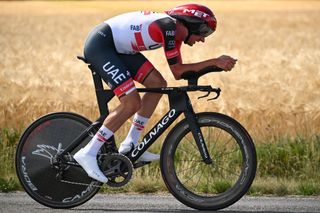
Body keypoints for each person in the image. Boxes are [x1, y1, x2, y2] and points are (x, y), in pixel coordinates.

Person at [74, 3, 237, 183]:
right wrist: (214, 61)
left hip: (118, 50)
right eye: (203, 32)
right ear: (191, 24)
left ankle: (129, 145)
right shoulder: (169, 27)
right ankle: (88, 152)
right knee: (131, 103)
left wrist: (214, 65)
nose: (203, 39)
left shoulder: (174, 32)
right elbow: (178, 71)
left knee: (157, 83)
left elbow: (178, 73)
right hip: (101, 46)